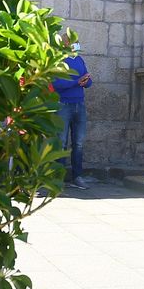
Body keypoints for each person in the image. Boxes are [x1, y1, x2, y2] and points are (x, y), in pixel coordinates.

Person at [51, 29, 93, 190]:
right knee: (61, 143)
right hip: (63, 105)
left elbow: (88, 82)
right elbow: (56, 85)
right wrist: (77, 82)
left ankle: (78, 177)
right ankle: (58, 179)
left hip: (79, 105)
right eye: (74, 41)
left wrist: (86, 82)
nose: (77, 44)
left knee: (79, 143)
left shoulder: (79, 60)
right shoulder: (58, 61)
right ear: (66, 43)